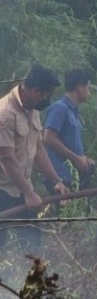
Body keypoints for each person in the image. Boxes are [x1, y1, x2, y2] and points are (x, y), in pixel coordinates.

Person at [0, 65, 66, 249]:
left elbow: (39, 149)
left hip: (22, 188)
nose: (48, 100)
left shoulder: (33, 110)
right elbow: (7, 158)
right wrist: (29, 194)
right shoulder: (4, 113)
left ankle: (35, 278)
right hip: (2, 192)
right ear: (36, 91)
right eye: (47, 95)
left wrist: (56, 181)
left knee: (33, 248)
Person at [43, 69, 95, 191]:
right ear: (79, 87)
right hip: (60, 177)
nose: (89, 92)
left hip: (73, 177)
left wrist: (83, 159)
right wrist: (76, 159)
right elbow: (48, 138)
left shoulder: (73, 112)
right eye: (88, 87)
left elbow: (70, 143)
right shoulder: (60, 108)